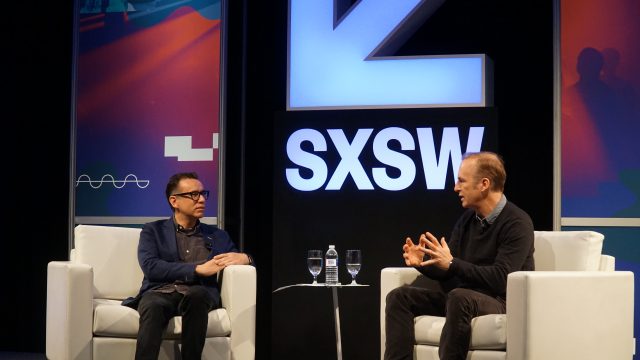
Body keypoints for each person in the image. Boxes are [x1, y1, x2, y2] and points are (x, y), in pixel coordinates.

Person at [384, 152, 534, 360]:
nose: (456, 188)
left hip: (500, 300)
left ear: (484, 184)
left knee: (459, 296)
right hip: (463, 298)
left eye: (461, 181)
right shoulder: (468, 220)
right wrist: (423, 264)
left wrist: (453, 263)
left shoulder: (516, 223)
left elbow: (502, 278)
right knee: (399, 297)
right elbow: (448, 269)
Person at [122, 172, 253, 360]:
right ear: (174, 201)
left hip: (198, 293)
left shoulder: (218, 236)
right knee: (153, 305)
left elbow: (242, 259)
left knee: (198, 295)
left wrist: (245, 258)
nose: (201, 200)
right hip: (160, 292)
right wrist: (196, 270)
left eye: (203, 194)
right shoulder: (153, 230)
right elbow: (151, 266)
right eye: (193, 194)